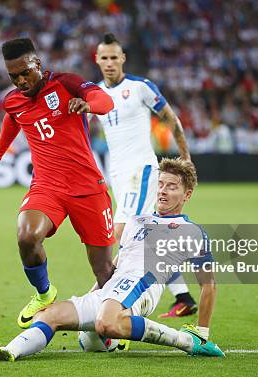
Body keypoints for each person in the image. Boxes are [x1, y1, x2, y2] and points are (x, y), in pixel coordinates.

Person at [0, 158, 223, 362]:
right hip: (114, 288)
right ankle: (6, 352)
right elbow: (116, 264)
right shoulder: (136, 221)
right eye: (161, 184)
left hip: (142, 287)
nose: (163, 191)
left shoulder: (191, 231)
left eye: (172, 187)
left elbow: (208, 285)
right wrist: (93, 294)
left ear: (186, 195)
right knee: (51, 315)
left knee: (105, 323)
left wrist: (203, 330)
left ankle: (188, 342)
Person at [0, 38, 117, 329]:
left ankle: (119, 321)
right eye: (13, 76)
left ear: (37, 64)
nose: (20, 80)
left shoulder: (67, 84)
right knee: (26, 237)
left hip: (87, 188)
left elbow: (106, 101)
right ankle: (44, 293)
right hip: (47, 187)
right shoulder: (13, 99)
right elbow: (13, 119)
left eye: (25, 72)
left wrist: (88, 104)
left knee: (103, 270)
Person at [93, 33, 197, 318]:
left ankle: (109, 298)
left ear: (123, 58)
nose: (110, 62)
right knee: (146, 236)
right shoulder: (94, 94)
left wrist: (185, 156)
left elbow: (171, 119)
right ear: (97, 60)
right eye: (105, 57)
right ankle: (184, 297)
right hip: (118, 175)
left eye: (115, 57)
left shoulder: (140, 87)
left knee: (122, 234)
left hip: (142, 171)